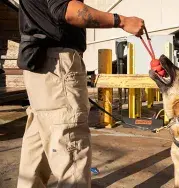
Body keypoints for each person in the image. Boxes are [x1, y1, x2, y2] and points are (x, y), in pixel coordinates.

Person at [16, 0, 144, 187]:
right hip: (56, 65)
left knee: (38, 144)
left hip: (40, 67)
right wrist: (122, 21)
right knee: (71, 151)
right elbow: (67, 10)